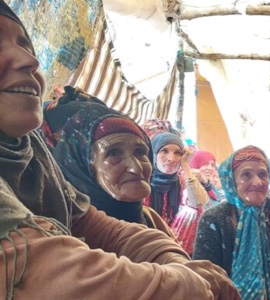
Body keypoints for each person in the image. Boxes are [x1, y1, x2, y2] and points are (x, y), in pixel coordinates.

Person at [0, 3, 238, 298]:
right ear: (79, 163)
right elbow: (42, 272)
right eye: (112, 153)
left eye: (26, 44)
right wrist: (187, 282)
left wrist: (179, 266)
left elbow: (99, 227)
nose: (29, 60)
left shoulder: (32, 156)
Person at [193, 146, 270, 299]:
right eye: (246, 175)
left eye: (262, 174)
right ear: (231, 181)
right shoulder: (213, 219)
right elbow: (204, 279)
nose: (257, 182)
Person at [53, 105, 174, 237]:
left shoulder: (152, 221)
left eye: (140, 152)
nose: (136, 167)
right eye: (113, 153)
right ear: (82, 168)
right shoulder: (65, 234)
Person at [147, 132, 210, 254]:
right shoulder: (143, 178)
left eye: (178, 153)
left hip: (174, 241)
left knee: (195, 210)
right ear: (153, 154)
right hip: (145, 239)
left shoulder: (181, 178)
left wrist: (185, 165)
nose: (171, 159)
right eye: (164, 151)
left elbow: (199, 201)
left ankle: (177, 256)